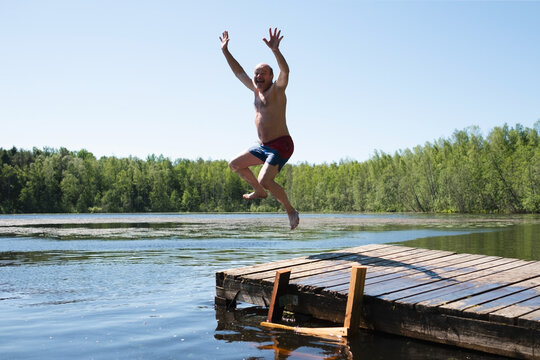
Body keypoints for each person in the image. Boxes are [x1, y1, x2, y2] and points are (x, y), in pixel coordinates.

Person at [220, 28, 299, 230]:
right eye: (256, 73)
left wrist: (275, 50)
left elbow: (286, 71)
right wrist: (225, 51)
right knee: (235, 164)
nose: (258, 76)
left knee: (265, 178)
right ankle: (259, 190)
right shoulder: (255, 91)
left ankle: (290, 209)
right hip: (264, 146)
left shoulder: (277, 90)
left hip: (281, 144)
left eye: (263, 73)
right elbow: (238, 72)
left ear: (271, 77)